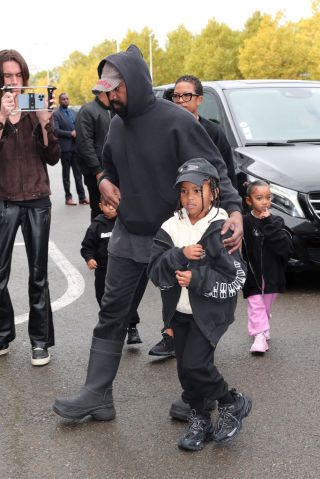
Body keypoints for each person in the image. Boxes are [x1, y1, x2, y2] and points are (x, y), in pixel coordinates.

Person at [53, 44, 243, 422]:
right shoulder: (118, 124)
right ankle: (96, 394)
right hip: (128, 235)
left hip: (177, 237)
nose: (109, 97)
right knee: (113, 313)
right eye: (105, 91)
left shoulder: (178, 122)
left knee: (187, 318)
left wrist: (235, 211)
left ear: (136, 84)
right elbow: (107, 167)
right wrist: (104, 181)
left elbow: (216, 170)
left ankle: (198, 396)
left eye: (115, 89)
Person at [147, 158, 250, 451]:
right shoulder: (170, 227)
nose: (189, 198)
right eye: (183, 191)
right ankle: (201, 421)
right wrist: (179, 255)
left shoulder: (223, 227)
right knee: (186, 372)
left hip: (210, 314)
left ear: (214, 191)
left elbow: (235, 278)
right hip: (178, 314)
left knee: (195, 365)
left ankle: (232, 402)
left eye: (196, 190)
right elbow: (154, 270)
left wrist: (196, 279)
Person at [149, 74, 237, 358]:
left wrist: (233, 211)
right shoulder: (164, 131)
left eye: (187, 96)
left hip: (207, 216)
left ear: (200, 99)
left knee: (203, 271)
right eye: (176, 96)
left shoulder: (214, 133)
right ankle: (171, 331)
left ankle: (203, 331)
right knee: (172, 268)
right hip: (175, 213)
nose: (181, 101)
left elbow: (227, 174)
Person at [0, 49, 60, 365]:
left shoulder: (33, 104)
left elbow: (53, 157)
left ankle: (40, 341)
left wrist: (45, 124)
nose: (12, 82)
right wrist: (1, 119)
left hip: (37, 198)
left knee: (38, 275)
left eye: (17, 75)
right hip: (4, 198)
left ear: (24, 77)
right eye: (6, 76)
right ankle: (2, 332)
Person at [80, 196, 144, 344]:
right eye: (107, 205)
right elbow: (86, 246)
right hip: (103, 271)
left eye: (114, 205)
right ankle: (110, 329)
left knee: (128, 298)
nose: (111, 208)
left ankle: (132, 328)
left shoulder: (124, 223)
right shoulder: (96, 226)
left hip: (123, 269)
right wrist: (90, 258)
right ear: (101, 206)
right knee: (104, 298)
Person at [242, 180, 293, 353]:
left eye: (268, 197)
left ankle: (263, 326)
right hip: (252, 274)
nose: (264, 202)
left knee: (265, 306)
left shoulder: (276, 221)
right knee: (256, 304)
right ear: (249, 201)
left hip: (273, 275)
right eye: (259, 198)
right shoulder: (244, 222)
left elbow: (284, 249)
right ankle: (259, 337)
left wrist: (269, 223)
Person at [75, 80, 112, 220]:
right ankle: (96, 240)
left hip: (113, 170)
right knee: (99, 210)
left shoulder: (115, 110)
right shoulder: (87, 110)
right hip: (96, 173)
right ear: (104, 92)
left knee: (115, 210)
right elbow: (84, 144)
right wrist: (97, 171)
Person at [53, 93, 89, 206]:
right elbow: (56, 130)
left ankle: (82, 197)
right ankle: (68, 198)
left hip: (75, 148)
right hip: (65, 149)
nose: (65, 100)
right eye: (63, 99)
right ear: (59, 101)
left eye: (67, 99)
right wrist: (70, 133)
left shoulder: (74, 112)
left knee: (78, 174)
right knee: (66, 175)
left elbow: (79, 125)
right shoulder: (56, 114)